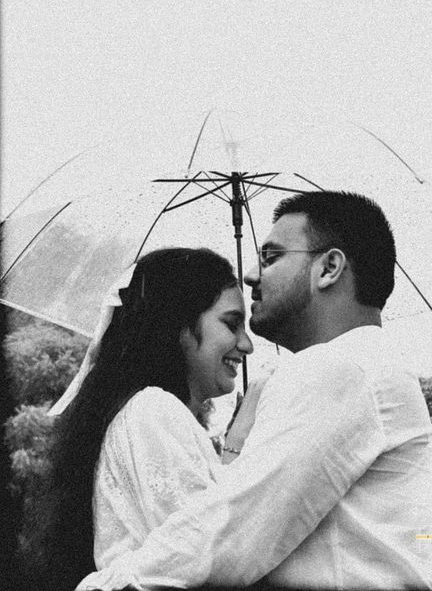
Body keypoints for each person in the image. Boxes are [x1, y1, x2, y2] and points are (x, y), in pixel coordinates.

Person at [77, 191, 432, 590]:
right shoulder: (361, 366)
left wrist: (103, 586)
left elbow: (230, 537)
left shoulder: (340, 367)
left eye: (272, 257)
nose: (252, 275)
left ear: (329, 268)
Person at [23, 247, 262, 591]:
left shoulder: (147, 412)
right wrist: (239, 437)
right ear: (179, 325)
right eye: (232, 324)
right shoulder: (153, 409)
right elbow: (211, 556)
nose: (247, 344)